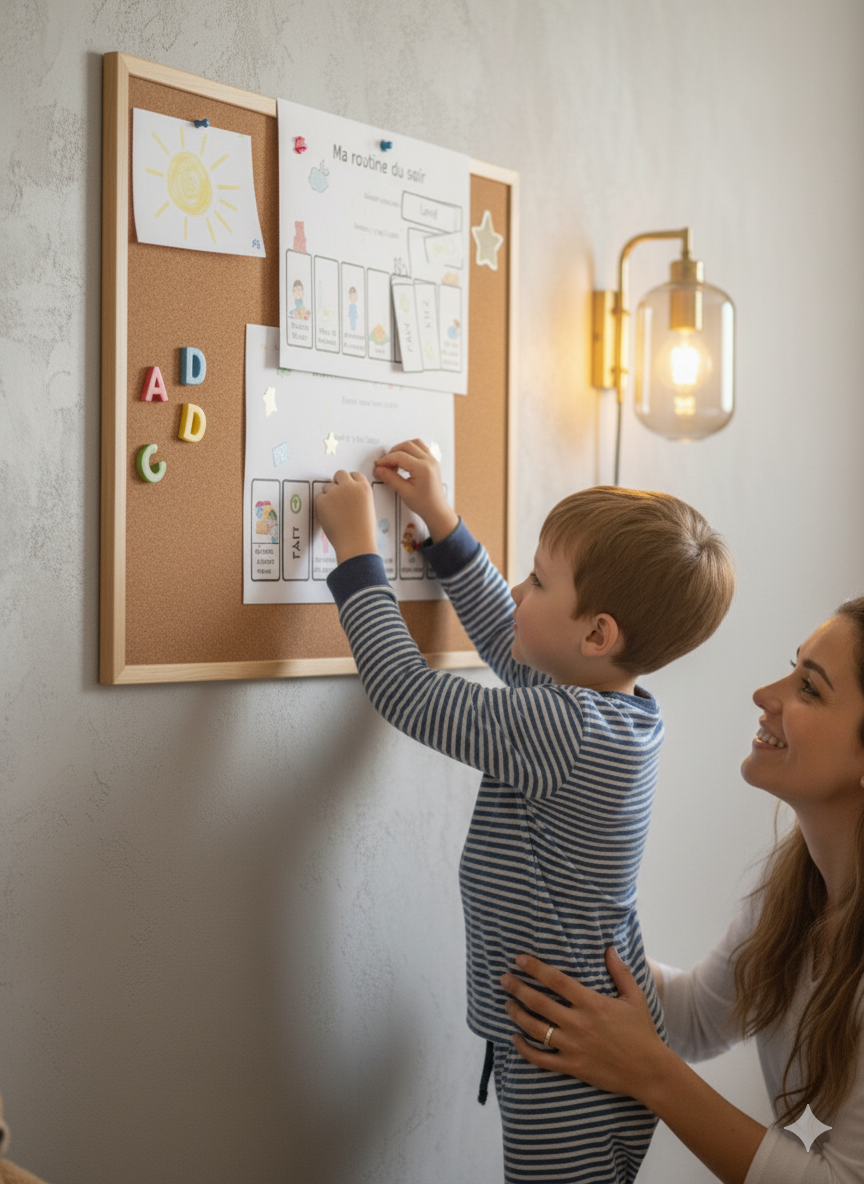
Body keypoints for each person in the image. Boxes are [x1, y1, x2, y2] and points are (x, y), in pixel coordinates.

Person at [315, 440, 735, 1184]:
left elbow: (405, 693)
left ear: (597, 634)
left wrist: (356, 553)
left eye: (539, 580)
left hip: (571, 1049)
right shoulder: (609, 711)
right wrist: (443, 525)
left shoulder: (568, 732)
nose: (517, 588)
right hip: (564, 1029)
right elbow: (518, 648)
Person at [501, 597, 864, 1184]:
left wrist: (651, 1073)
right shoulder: (791, 891)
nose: (765, 694)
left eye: (810, 688)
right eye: (790, 667)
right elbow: (696, 1018)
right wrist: (566, 931)